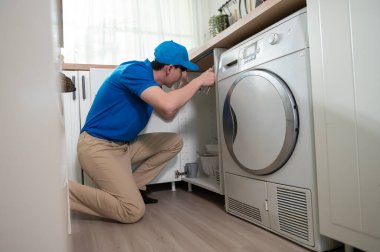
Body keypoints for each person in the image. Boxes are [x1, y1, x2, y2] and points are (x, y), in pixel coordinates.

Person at [68, 40, 215, 223]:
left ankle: (133, 188)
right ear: (169, 68)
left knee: (174, 142)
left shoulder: (152, 85)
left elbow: (168, 113)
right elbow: (169, 106)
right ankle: (64, 194)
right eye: (182, 70)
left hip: (122, 148)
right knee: (133, 211)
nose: (183, 74)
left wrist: (186, 87)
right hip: (97, 147)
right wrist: (199, 80)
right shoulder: (134, 71)